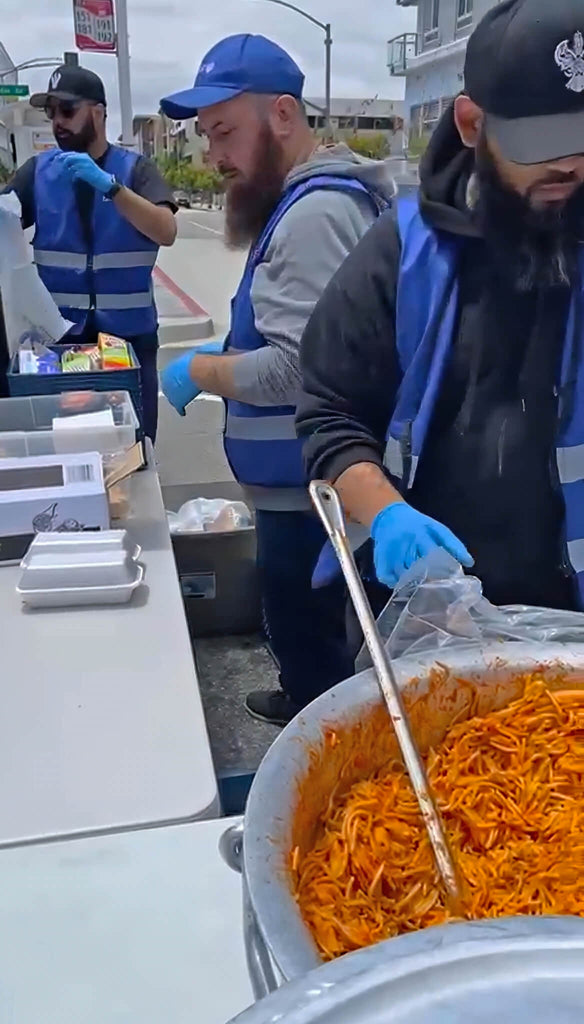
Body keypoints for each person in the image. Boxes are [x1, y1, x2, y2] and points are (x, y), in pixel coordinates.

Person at [298, 0, 584, 613]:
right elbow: (330, 416)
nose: (569, 163)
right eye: (543, 142)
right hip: (426, 608)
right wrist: (389, 514)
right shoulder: (401, 253)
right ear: (473, 125)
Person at [160, 34, 394, 725]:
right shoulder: (306, 203)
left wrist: (198, 369)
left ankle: (315, 744)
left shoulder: (317, 213)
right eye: (208, 137)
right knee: (303, 627)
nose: (215, 157)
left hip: (310, 490)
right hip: (299, 483)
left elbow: (301, 367)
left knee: (312, 635)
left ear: (284, 116)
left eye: (225, 132)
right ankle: (303, 703)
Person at [4, 64, 177, 441]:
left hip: (128, 342)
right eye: (51, 113)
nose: (57, 122)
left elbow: (166, 230)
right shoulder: (37, 172)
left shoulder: (136, 171)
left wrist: (113, 189)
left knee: (134, 448)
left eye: (67, 110)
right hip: (59, 343)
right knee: (60, 447)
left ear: (98, 112)